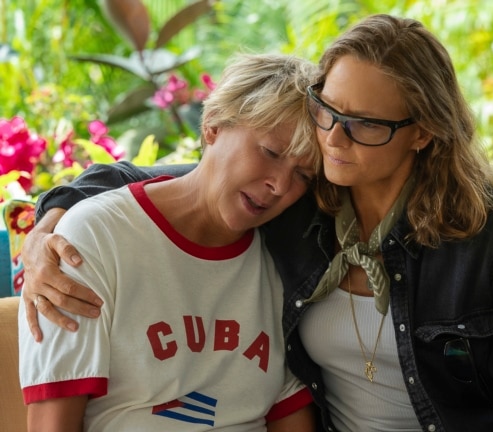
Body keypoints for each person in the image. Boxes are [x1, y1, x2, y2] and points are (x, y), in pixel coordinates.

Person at [20, 14, 493, 432]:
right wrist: (51, 223)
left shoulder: (491, 236)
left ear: (422, 132)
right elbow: (177, 180)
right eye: (328, 110)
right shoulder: (306, 204)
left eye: (363, 125)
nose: (332, 138)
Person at [18, 53, 320, 432]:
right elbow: (53, 423)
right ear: (212, 125)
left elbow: (288, 409)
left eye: (303, 175)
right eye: (270, 152)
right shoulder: (91, 238)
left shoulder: (285, 252)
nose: (279, 185)